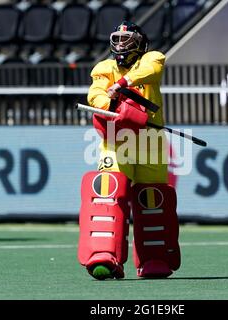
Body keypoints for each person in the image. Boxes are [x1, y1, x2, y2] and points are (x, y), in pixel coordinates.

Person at [78, 21, 181, 280]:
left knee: (152, 199)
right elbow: (95, 97)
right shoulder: (103, 68)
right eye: (118, 38)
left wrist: (122, 84)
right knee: (109, 194)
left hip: (150, 141)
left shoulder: (152, 58)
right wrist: (115, 104)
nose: (121, 44)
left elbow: (150, 70)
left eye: (128, 39)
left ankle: (154, 258)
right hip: (117, 140)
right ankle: (104, 254)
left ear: (140, 42)